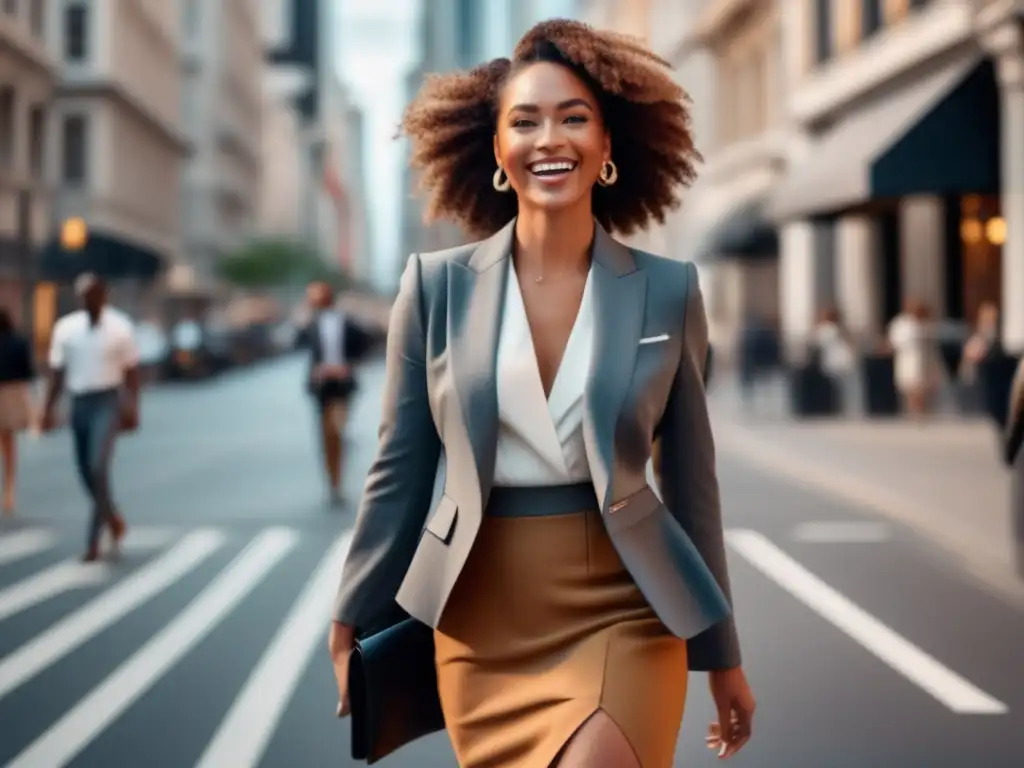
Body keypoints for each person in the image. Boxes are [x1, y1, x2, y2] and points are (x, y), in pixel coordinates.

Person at [328, 19, 754, 768]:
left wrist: (720, 651)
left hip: (627, 604)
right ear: (497, 150)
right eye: (524, 121)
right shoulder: (436, 290)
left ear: (608, 144)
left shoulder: (668, 290)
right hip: (480, 616)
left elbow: (692, 483)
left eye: (573, 118)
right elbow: (398, 469)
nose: (548, 138)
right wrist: (354, 611)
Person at [40, 274, 139, 561]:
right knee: (84, 470)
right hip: (79, 403)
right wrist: (47, 409)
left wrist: (133, 407)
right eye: (83, 295)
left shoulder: (120, 327)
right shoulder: (66, 329)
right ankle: (113, 518)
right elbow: (57, 373)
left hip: (107, 401)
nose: (89, 300)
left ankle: (93, 542)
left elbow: (132, 373)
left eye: (94, 294)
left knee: (98, 468)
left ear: (104, 296)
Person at [296, 282, 372, 504]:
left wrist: (348, 366)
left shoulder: (347, 322)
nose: (313, 301)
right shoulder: (311, 323)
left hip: (342, 385)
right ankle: (333, 483)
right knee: (326, 437)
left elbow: (366, 343)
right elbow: (297, 343)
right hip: (321, 387)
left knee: (337, 429)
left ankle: (339, 472)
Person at [0, 308, 36, 516]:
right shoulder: (18, 343)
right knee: (9, 445)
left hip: (8, 391)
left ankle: (8, 490)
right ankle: (9, 488)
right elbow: (27, 372)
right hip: (13, 393)